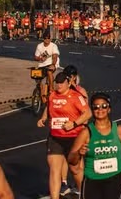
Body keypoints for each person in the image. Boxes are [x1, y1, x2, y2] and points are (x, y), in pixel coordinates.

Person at [66, 93, 121, 199]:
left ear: (109, 109)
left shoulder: (119, 130)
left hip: (115, 178)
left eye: (104, 106)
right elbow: (71, 159)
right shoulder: (86, 133)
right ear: (92, 110)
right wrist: (78, 153)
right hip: (93, 180)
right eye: (96, 107)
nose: (100, 109)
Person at [38, 71, 92, 199]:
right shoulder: (52, 95)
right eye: (57, 82)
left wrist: (74, 123)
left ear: (68, 83)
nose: (59, 85)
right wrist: (43, 118)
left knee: (75, 169)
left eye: (62, 82)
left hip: (73, 138)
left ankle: (84, 193)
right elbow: (48, 107)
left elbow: (88, 113)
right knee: (54, 170)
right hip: (55, 137)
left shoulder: (76, 96)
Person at [34, 32, 61, 103]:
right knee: (37, 77)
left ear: (50, 39)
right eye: (45, 38)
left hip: (51, 63)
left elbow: (55, 56)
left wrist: (53, 64)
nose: (47, 40)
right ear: (43, 39)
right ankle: (41, 94)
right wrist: (40, 59)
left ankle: (51, 88)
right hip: (42, 64)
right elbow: (36, 57)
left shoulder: (53, 46)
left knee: (49, 71)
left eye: (48, 38)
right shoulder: (39, 46)